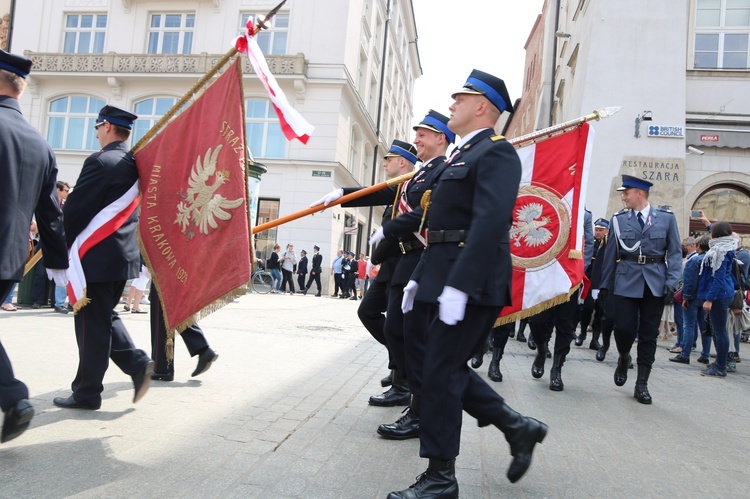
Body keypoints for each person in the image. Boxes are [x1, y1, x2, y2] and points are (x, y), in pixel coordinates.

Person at [390, 70, 547, 498]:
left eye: (461, 98)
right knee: (436, 369)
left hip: (470, 280)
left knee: (440, 373)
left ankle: (442, 477)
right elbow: (433, 224)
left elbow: (489, 223)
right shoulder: (460, 157)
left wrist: (459, 285)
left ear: (482, 106)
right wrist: (418, 280)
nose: (452, 104)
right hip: (438, 274)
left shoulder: (496, 154)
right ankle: (518, 427)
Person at [54, 104, 154, 410]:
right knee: (103, 318)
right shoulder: (135, 163)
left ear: (107, 126)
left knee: (90, 325)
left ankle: (87, 393)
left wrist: (60, 246)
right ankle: (137, 364)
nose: (96, 132)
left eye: (98, 127)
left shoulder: (100, 161)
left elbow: (76, 210)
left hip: (95, 257)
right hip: (122, 258)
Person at [312, 139, 419, 403]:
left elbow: (399, 226)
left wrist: (374, 257)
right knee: (370, 312)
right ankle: (399, 362)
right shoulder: (398, 187)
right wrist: (342, 194)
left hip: (404, 266)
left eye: (388, 159)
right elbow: (372, 192)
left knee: (396, 325)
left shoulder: (412, 185)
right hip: (389, 268)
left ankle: (402, 378)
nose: (384, 163)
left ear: (402, 162)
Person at [370, 109, 455, 439]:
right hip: (409, 262)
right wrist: (342, 196)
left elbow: (428, 217)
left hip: (428, 261)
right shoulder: (422, 176)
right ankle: (414, 401)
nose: (416, 139)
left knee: (417, 339)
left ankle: (418, 406)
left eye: (422, 134)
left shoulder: (442, 171)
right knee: (402, 331)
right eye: (416, 134)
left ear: (440, 139)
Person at [0, 49, 68, 441]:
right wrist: (58, 261)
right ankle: (12, 397)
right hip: (11, 257)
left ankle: (13, 396)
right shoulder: (40, 143)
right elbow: (50, 211)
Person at [599, 174, 682, 404]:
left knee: (649, 334)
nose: (623, 197)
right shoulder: (618, 219)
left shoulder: (665, 219)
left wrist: (673, 283)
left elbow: (675, 253)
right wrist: (604, 285)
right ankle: (624, 356)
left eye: (626, 193)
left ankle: (642, 383)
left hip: (655, 282)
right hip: (626, 280)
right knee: (623, 328)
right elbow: (610, 255)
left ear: (640, 193)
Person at [149, 282, 219, 381]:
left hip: (165, 271)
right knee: (173, 310)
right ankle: (202, 348)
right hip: (175, 272)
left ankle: (163, 368)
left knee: (164, 311)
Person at [696, 222, 738, 377]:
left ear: (717, 233)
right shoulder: (726, 245)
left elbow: (718, 278)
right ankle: (720, 363)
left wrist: (710, 299)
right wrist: (706, 221)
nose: (710, 233)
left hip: (719, 295)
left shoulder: (721, 250)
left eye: (712, 231)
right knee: (719, 331)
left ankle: (721, 366)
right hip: (723, 293)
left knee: (720, 331)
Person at [670, 235, 710, 365]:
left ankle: (685, 354)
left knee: (689, 326)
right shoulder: (711, 259)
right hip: (705, 297)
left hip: (693, 297)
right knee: (704, 327)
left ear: (698, 246)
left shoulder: (695, 260)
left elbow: (689, 281)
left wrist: (685, 297)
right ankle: (705, 354)